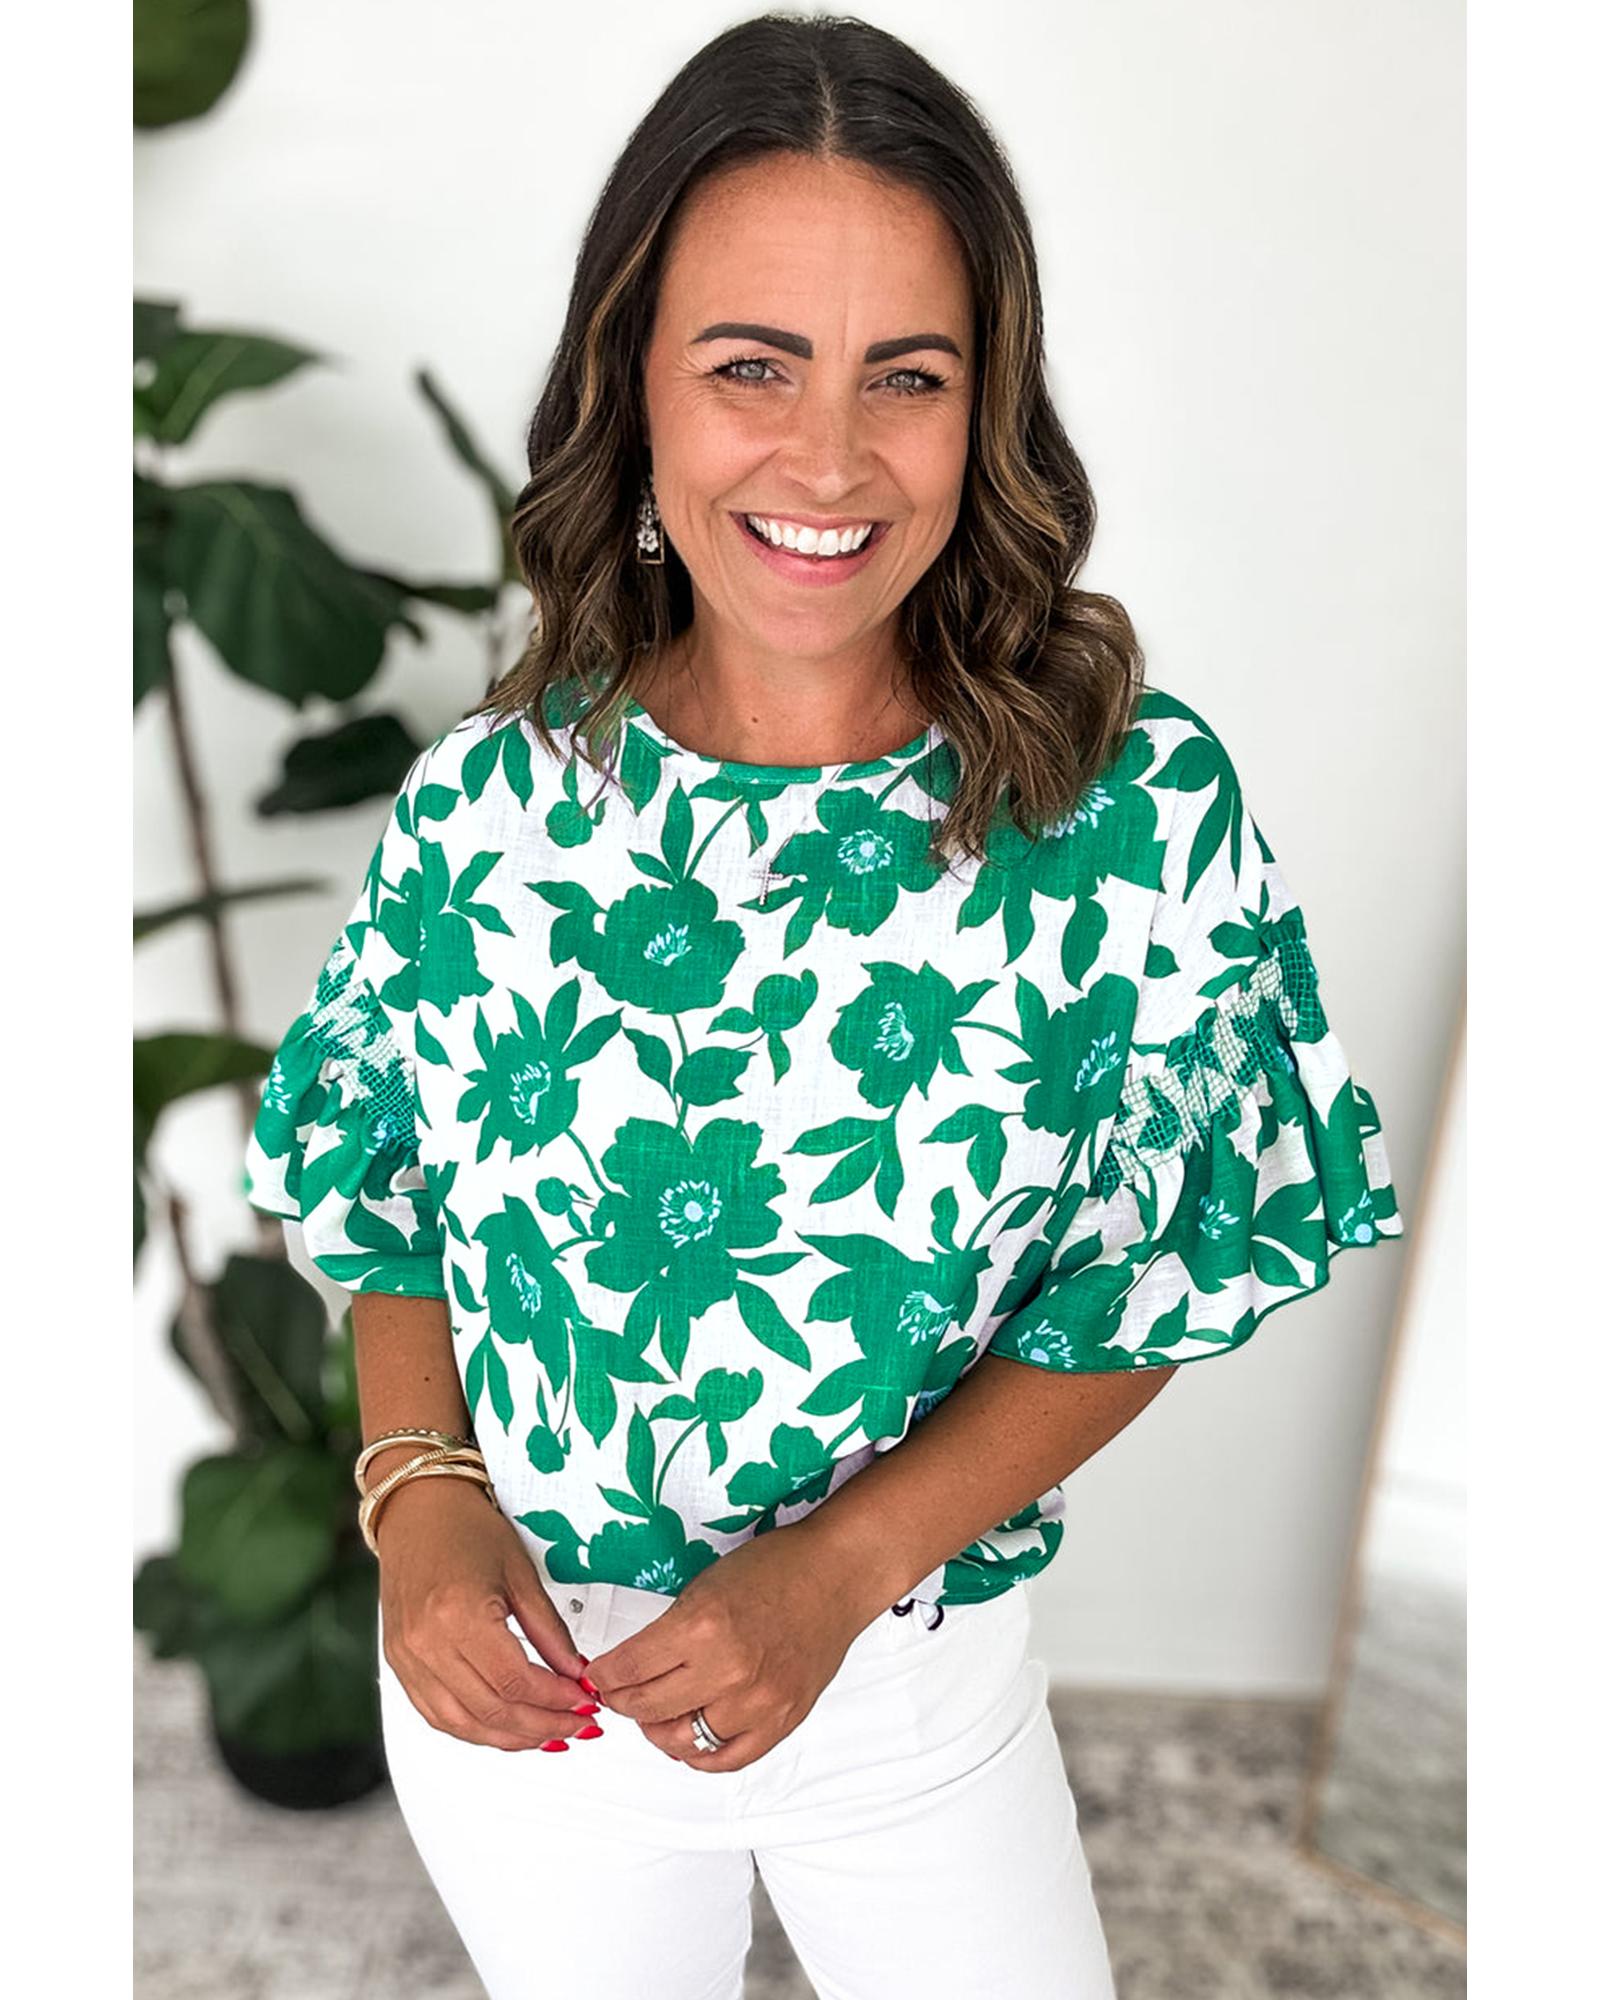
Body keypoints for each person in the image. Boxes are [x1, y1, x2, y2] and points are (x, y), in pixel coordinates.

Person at [243, 15, 1405, 1998]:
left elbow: (1163, 1266)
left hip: (914, 1704)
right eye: (750, 366)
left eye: (907, 377)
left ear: (987, 408)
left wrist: (838, 1571)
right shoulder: (492, 803)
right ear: (632, 384)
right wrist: (418, 1496)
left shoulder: (1126, 813)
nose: (830, 459)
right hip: (537, 1715)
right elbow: (391, 1191)